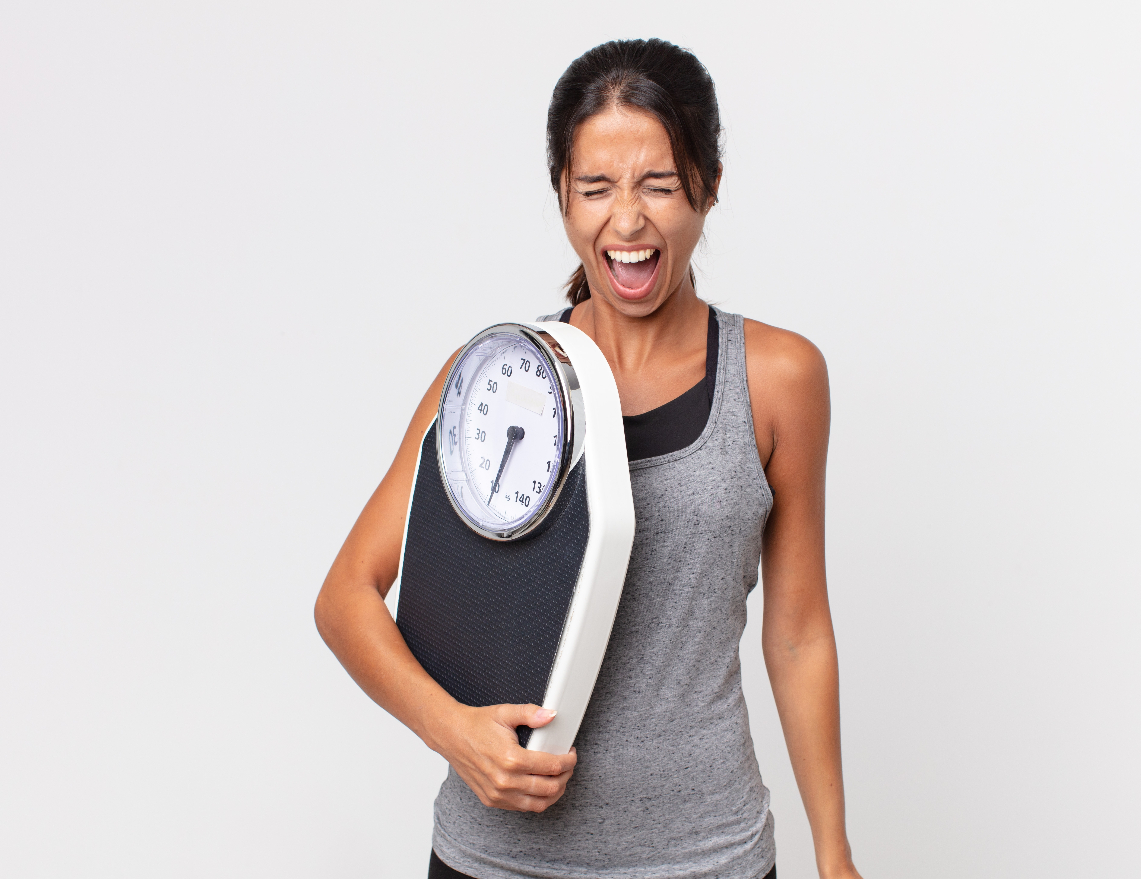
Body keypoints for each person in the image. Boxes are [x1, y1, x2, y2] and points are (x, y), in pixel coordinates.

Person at [315, 38, 865, 879]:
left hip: (706, 856)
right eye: (596, 189)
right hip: (495, 859)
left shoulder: (779, 379)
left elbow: (796, 636)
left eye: (659, 184)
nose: (627, 220)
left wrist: (835, 856)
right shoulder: (493, 383)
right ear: (563, 199)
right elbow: (345, 595)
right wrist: (455, 732)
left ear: (709, 187)